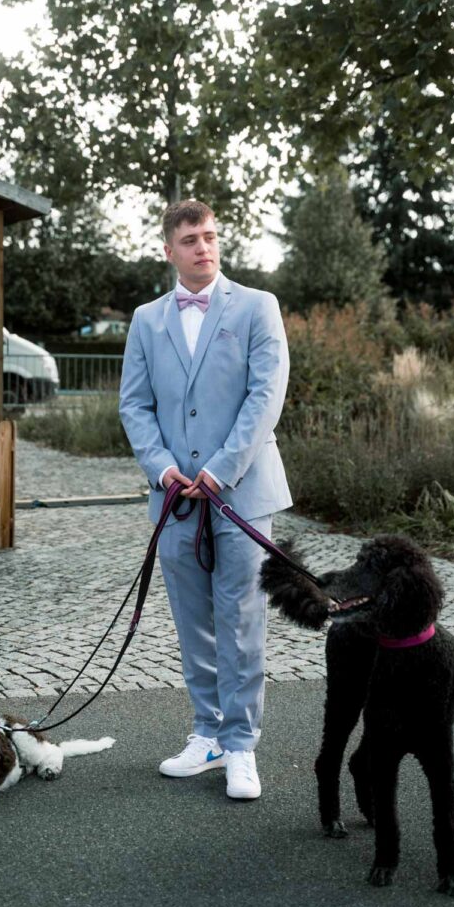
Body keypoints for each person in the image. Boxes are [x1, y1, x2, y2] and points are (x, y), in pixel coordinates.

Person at [119, 200, 291, 800]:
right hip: (175, 500)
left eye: (210, 236)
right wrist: (164, 470)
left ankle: (242, 746)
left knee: (241, 620)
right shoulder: (146, 319)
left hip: (242, 493)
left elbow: (266, 396)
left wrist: (220, 470)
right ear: (168, 249)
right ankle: (207, 734)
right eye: (190, 239)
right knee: (194, 623)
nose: (203, 247)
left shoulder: (256, 307)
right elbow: (134, 405)